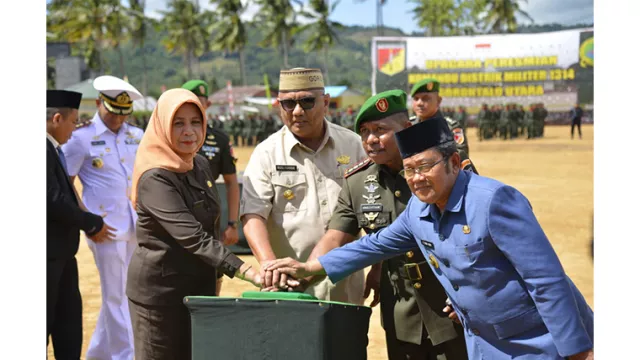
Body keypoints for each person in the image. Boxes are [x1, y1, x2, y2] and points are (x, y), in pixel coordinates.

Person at [266, 117, 595, 360]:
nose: (416, 178)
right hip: (483, 344)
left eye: (425, 166)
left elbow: (546, 280)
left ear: (454, 162)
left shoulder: (494, 201)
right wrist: (311, 268)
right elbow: (373, 245)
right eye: (409, 169)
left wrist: (577, 351)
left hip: (535, 341)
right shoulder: (417, 211)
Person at [300, 90, 468, 359]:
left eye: (380, 130)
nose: (370, 140)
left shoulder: (441, 171)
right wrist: (301, 274)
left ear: (408, 128)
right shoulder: (357, 183)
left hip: (453, 307)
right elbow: (335, 238)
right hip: (401, 312)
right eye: (364, 132)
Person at [126, 88, 265, 360]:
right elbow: (193, 237)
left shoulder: (198, 163)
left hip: (198, 289)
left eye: (195, 122)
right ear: (162, 126)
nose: (189, 131)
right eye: (178, 123)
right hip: (161, 296)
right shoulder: (154, 178)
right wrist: (246, 270)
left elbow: (210, 224)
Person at [240, 67, 367, 301]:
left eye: (307, 101)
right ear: (279, 106)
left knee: (347, 338)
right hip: (286, 289)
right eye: (288, 104)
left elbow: (372, 208)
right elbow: (253, 215)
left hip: (344, 285)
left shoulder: (354, 146)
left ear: (326, 102)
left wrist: (379, 266)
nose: (297, 111)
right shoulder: (266, 153)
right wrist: (270, 266)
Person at [61, 75, 143, 359]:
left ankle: (98, 354)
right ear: (98, 104)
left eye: (124, 113)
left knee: (129, 293)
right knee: (115, 295)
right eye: (112, 112)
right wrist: (87, 220)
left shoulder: (136, 135)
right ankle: (126, 355)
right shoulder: (80, 138)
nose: (118, 120)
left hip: (136, 225)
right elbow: (66, 184)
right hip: (105, 228)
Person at [47, 90, 116, 359]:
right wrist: (87, 220)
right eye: (74, 122)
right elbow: (51, 198)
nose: (75, 129)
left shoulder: (53, 149)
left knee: (68, 327)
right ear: (56, 119)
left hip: (62, 255)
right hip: (47, 256)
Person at [182, 79, 241, 296]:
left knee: (212, 280)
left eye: (201, 101)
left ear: (207, 105)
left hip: (209, 221)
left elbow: (232, 182)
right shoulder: (170, 137)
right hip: (179, 216)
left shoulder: (220, 139)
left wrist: (233, 223)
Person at [409, 78, 478, 174]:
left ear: (438, 100)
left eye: (426, 98)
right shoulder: (408, 126)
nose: (419, 103)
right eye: (416, 99)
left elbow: (460, 157)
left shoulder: (451, 127)